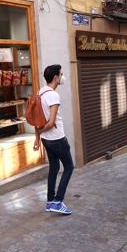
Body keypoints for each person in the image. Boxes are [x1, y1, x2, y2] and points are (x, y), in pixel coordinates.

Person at [34, 64, 74, 215]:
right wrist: (41, 131)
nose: (62, 77)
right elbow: (50, 123)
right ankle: (58, 201)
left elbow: (37, 120)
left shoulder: (40, 92)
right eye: (61, 74)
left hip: (46, 140)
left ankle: (50, 201)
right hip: (57, 139)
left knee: (54, 168)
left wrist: (38, 137)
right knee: (69, 167)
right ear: (56, 77)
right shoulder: (53, 95)